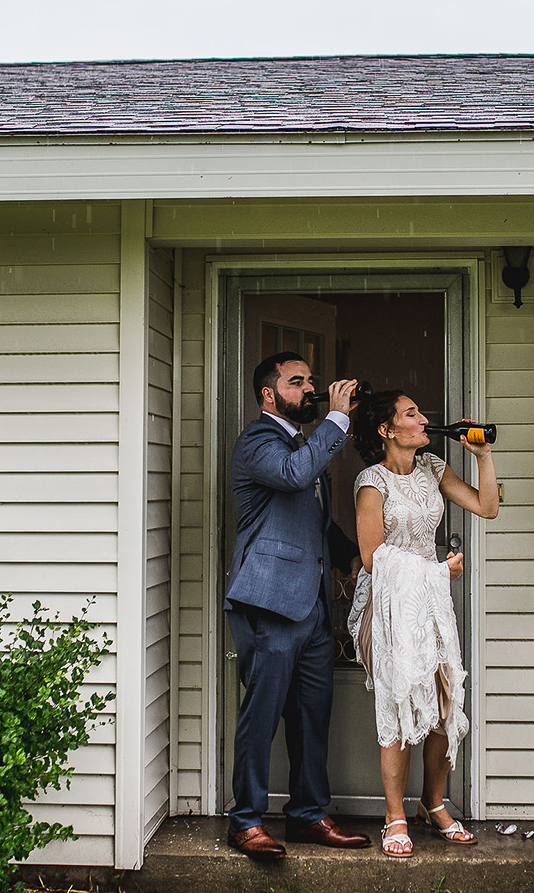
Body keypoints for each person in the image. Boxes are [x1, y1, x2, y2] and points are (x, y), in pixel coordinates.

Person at [223, 353, 373, 859]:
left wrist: (348, 554)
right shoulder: (259, 442)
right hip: (269, 601)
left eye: (311, 380)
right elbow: (292, 477)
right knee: (262, 714)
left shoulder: (300, 445)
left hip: (311, 608)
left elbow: (310, 518)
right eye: (297, 382)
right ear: (269, 394)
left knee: (313, 715)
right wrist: (336, 418)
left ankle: (308, 815)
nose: (309, 388)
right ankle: (245, 821)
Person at [348, 391, 498, 858]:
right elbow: (373, 559)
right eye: (412, 414)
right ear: (387, 430)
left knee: (442, 704)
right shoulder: (371, 484)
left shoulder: (433, 467)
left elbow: (486, 506)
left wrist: (484, 457)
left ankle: (432, 804)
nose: (424, 420)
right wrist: (437, 570)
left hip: (431, 605)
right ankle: (394, 815)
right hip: (389, 607)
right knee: (399, 702)